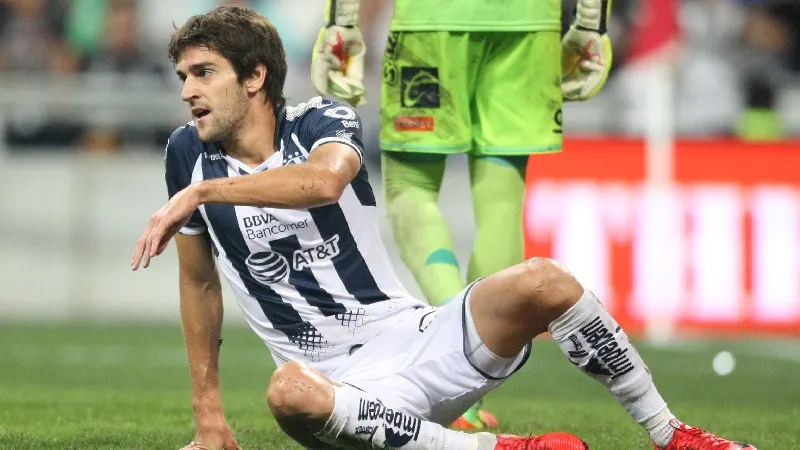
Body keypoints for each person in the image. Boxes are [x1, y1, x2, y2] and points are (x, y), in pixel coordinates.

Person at [132, 6, 756, 450]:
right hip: (333, 387)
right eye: (183, 76)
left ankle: (674, 435)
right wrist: (208, 417)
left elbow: (324, 182)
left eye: (203, 72)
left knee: (545, 280)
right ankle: (499, 448)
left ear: (255, 77)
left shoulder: (321, 119)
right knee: (287, 391)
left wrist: (203, 193)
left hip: (414, 337)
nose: (187, 91)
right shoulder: (186, 152)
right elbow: (200, 285)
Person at [310, 0, 614, 430]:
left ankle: (452, 357)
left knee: (410, 188)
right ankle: (469, 385)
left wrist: (340, 22)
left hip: (432, 21)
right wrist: (591, 25)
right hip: (529, 24)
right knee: (502, 201)